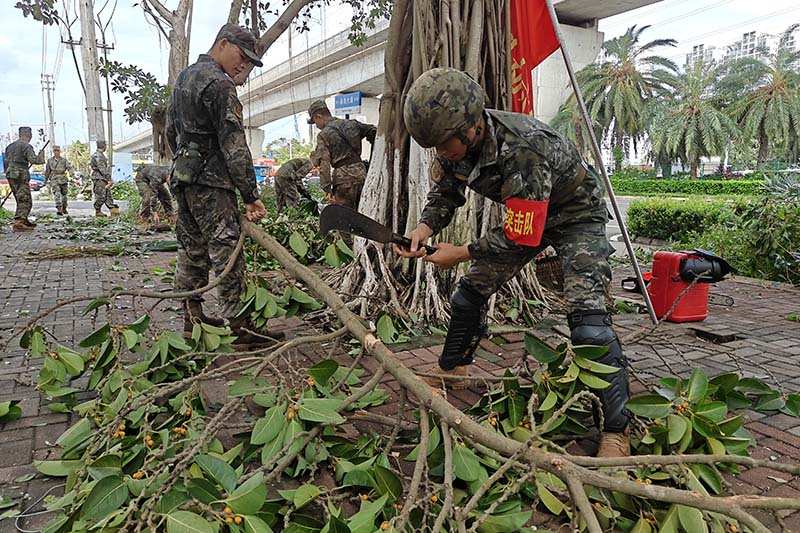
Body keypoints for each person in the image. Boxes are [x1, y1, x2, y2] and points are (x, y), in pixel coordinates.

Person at [396, 68, 631, 457]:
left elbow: (523, 234)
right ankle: (454, 368)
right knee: (468, 294)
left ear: (471, 126)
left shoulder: (523, 147)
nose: (440, 152)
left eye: (444, 143)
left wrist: (462, 252)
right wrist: (423, 227)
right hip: (528, 218)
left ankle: (617, 431)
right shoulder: (456, 147)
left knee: (588, 324)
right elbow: (447, 192)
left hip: (575, 217)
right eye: (434, 146)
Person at [166, 23, 278, 344]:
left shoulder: (184, 78)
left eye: (250, 62)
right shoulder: (220, 85)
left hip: (183, 177)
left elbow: (171, 133)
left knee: (191, 247)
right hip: (213, 184)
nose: (243, 65)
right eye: (242, 56)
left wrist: (188, 161)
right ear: (223, 44)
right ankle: (239, 325)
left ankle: (193, 317)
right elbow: (234, 145)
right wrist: (251, 195)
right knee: (227, 250)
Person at [307, 100, 376, 210]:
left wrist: (327, 189)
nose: (317, 126)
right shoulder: (352, 124)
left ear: (318, 116)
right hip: (362, 174)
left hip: (343, 181)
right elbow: (374, 131)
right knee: (365, 213)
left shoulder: (323, 135)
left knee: (344, 218)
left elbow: (324, 164)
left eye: (315, 122)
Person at [3, 126, 45, 231]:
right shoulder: (26, 146)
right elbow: (34, 160)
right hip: (20, 175)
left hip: (10, 174)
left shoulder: (10, 146)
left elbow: (6, 161)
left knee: (19, 198)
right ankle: (19, 222)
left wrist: (7, 171)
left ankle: (24, 219)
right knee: (25, 199)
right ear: (29, 135)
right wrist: (41, 156)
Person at [134, 163, 175, 228]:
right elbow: (153, 195)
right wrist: (155, 213)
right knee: (147, 197)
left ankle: (171, 217)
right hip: (142, 179)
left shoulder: (171, 170)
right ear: (168, 177)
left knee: (166, 196)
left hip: (152, 178)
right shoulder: (156, 178)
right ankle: (144, 219)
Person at [44, 145, 77, 216]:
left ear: (60, 151)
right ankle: (59, 208)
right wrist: (46, 179)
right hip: (54, 179)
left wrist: (72, 175)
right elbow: (47, 171)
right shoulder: (50, 161)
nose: (56, 152)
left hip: (63, 178)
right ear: (53, 152)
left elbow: (69, 167)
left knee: (64, 195)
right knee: (57, 193)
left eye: (57, 151)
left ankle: (64, 207)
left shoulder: (64, 160)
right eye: (55, 151)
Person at [90, 140, 119, 217]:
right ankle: (98, 210)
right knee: (101, 195)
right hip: (99, 178)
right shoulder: (98, 156)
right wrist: (109, 179)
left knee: (108, 195)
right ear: (104, 146)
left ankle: (113, 210)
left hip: (102, 178)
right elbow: (102, 168)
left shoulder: (99, 155)